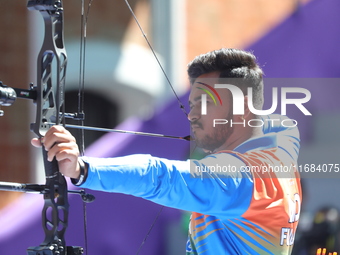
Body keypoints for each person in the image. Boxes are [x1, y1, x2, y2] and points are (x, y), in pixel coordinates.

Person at [32, 48, 302, 254]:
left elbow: (160, 176)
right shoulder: (282, 145)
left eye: (204, 103)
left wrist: (82, 169)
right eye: (192, 104)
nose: (192, 116)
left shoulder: (239, 179)